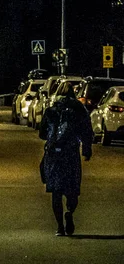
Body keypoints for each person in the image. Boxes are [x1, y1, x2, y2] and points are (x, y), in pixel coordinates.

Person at [39, 83, 93, 237]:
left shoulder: (51, 110)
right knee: (72, 188)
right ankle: (70, 212)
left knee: (56, 191)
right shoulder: (79, 110)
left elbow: (42, 133)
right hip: (70, 154)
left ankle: (59, 227)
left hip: (54, 155)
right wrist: (87, 149)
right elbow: (86, 131)